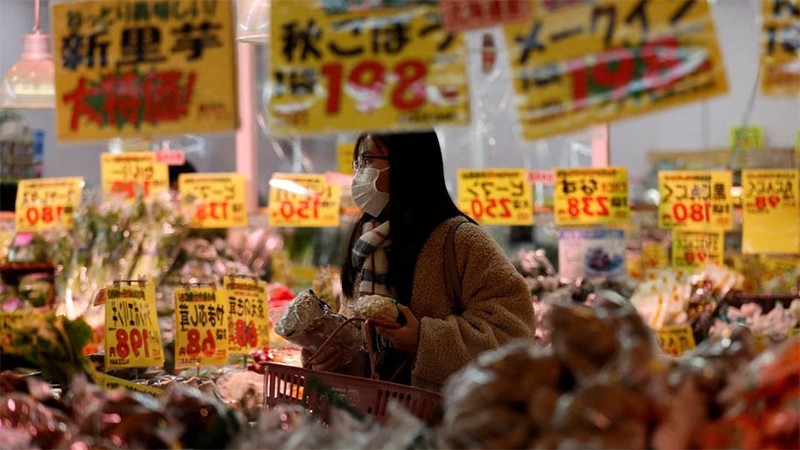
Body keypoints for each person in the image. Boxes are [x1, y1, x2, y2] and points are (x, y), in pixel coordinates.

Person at [305, 130, 536, 392]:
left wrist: (424, 339)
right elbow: (365, 346)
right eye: (356, 162)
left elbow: (514, 331)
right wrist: (337, 358)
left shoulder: (460, 239)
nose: (359, 173)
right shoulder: (366, 239)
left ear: (408, 164)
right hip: (374, 421)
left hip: (444, 419)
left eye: (368, 159)